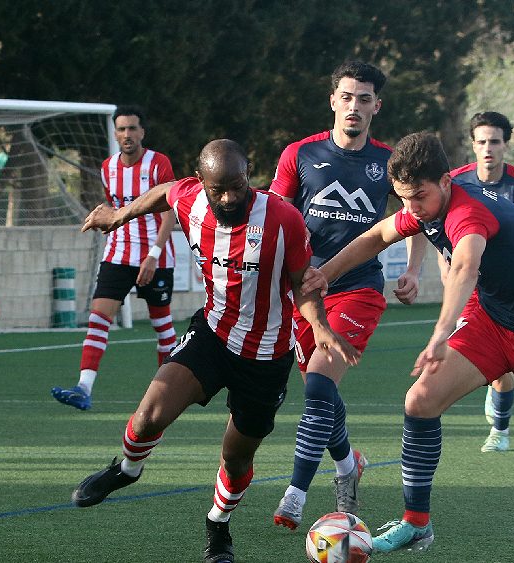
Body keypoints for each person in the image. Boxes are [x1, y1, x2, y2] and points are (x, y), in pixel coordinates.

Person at [305, 132, 514, 562]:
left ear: (444, 180)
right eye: (403, 198)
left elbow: (465, 266)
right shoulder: (422, 207)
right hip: (495, 322)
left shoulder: (468, 213)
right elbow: (378, 235)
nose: (411, 209)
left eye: (419, 196)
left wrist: (440, 333)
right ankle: (416, 524)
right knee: (421, 400)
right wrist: (323, 274)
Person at [70, 139, 360, 563]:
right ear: (200, 181)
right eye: (218, 189)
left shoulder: (283, 219)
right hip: (212, 335)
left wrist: (319, 327)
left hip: (265, 357)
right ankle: (127, 470)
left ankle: (217, 526)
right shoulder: (190, 199)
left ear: (249, 178)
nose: (228, 198)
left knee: (236, 458)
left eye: (238, 187)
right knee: (149, 415)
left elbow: (303, 282)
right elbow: (164, 191)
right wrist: (118, 216)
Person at [268, 60, 425, 529]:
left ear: (378, 106)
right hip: (303, 294)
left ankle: (295, 493)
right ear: (333, 100)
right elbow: (276, 212)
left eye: (364, 99)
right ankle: (347, 465)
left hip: (357, 290)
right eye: (347, 97)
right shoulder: (298, 154)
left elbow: (413, 212)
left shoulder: (389, 160)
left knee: (318, 385)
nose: (354, 106)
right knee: (323, 393)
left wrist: (414, 270)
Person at [51, 105, 177, 411]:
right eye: (121, 129)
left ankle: (169, 394)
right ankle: (83, 388)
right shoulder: (107, 167)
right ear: (115, 133)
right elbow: (114, 208)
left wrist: (154, 254)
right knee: (97, 320)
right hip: (118, 254)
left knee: (162, 328)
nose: (127, 135)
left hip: (154, 257)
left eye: (132, 128)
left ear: (142, 132)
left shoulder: (158, 163)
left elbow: (170, 210)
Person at [447, 111, 514, 453]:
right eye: (481, 142)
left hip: (510, 290)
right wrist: (448, 271)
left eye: (495, 141)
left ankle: (500, 430)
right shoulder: (455, 182)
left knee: (504, 366)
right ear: (472, 146)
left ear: (506, 145)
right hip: (472, 286)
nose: (488, 148)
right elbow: (435, 230)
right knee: (474, 358)